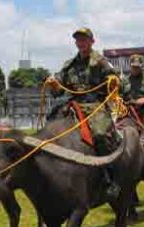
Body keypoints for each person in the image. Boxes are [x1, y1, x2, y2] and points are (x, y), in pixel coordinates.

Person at [45, 27, 120, 199]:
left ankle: (109, 176)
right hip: (72, 104)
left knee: (100, 134)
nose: (81, 43)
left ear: (92, 41)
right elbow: (58, 91)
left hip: (95, 105)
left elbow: (115, 81)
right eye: (78, 40)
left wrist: (112, 81)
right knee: (50, 127)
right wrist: (53, 85)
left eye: (84, 39)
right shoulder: (69, 65)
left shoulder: (101, 62)